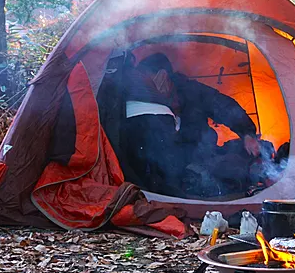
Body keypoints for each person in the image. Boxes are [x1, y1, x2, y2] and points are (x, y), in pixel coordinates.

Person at [118, 53, 276, 199]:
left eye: (152, 80)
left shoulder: (190, 90)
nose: (148, 86)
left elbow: (223, 105)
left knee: (243, 156)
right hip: (165, 168)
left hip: (201, 157)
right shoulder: (137, 101)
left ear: (164, 77)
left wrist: (247, 133)